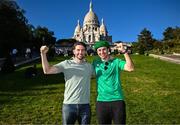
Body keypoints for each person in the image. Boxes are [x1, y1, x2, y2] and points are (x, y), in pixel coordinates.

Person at [40, 42, 93, 125]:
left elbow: (103, 73)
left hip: (85, 106)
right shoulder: (66, 64)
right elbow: (47, 71)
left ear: (85, 51)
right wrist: (43, 54)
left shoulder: (89, 66)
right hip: (69, 105)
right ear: (74, 51)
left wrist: (110, 58)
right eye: (78, 50)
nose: (80, 52)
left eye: (82, 50)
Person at [92, 40, 134, 124]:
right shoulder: (95, 63)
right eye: (99, 50)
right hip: (101, 101)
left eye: (104, 49)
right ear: (97, 52)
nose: (102, 52)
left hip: (117, 100)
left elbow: (130, 68)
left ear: (108, 50)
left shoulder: (116, 61)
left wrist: (124, 52)